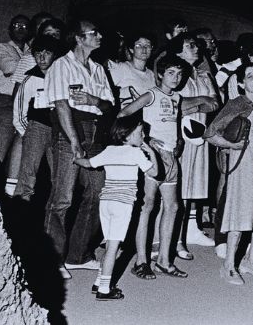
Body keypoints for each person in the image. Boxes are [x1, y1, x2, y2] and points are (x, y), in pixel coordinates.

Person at [45, 20, 117, 279]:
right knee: (62, 197)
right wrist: (73, 140)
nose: (99, 35)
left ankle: (78, 254)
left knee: (98, 191)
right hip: (70, 131)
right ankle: (52, 258)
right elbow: (61, 104)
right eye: (94, 32)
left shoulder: (98, 68)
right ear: (78, 38)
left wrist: (93, 100)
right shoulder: (60, 66)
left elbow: (110, 105)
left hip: (96, 134)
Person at [206, 63, 253, 285]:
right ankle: (229, 265)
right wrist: (233, 145)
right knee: (240, 212)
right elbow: (210, 134)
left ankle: (251, 259)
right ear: (241, 83)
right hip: (244, 163)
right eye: (249, 76)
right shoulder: (236, 104)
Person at [73, 115, 156, 300]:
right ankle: (104, 290)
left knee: (110, 243)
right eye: (141, 132)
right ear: (127, 134)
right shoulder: (136, 153)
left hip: (107, 202)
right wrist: (150, 151)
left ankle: (99, 281)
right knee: (114, 247)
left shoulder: (109, 150)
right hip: (122, 204)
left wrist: (76, 159)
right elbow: (155, 172)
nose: (144, 136)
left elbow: (87, 163)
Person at [119, 54, 187, 279]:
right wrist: (144, 141)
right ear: (160, 74)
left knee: (173, 207)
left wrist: (178, 140)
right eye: (171, 73)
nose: (175, 77)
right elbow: (124, 114)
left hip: (170, 157)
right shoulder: (151, 94)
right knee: (147, 206)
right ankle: (141, 261)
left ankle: (164, 261)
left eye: (179, 74)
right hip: (153, 156)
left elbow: (171, 125)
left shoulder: (177, 98)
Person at [175, 34, 220, 254]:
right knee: (180, 186)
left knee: (195, 183)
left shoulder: (202, 74)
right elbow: (176, 105)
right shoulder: (175, 74)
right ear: (178, 51)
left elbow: (215, 103)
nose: (195, 49)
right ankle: (176, 237)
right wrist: (201, 101)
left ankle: (191, 228)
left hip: (199, 133)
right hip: (180, 135)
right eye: (189, 46)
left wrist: (195, 105)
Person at [11, 35, 62, 201]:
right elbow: (19, 110)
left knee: (58, 175)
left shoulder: (62, 78)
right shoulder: (30, 78)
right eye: (38, 53)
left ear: (54, 55)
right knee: (28, 174)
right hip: (36, 128)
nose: (42, 57)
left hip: (59, 131)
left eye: (47, 53)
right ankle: (21, 209)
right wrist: (28, 132)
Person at [0, 14, 31, 194]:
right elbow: (10, 69)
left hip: (28, 104)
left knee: (20, 159)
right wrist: (36, 62)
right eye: (16, 25)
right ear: (9, 29)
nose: (20, 29)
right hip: (5, 104)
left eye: (24, 26)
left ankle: (10, 196)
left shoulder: (31, 51)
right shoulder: (0, 48)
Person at [107, 34, 156, 100]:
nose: (144, 49)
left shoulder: (151, 74)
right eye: (139, 45)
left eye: (147, 45)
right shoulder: (121, 68)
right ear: (131, 49)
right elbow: (106, 91)